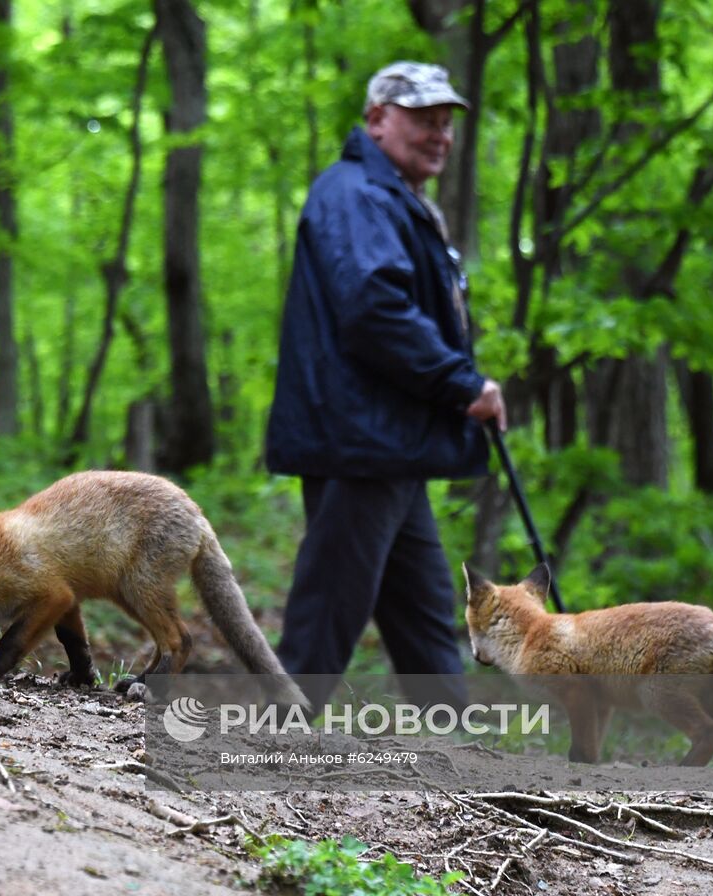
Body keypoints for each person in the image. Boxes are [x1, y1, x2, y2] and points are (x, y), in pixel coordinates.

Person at [265, 61, 506, 711]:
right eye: (423, 119)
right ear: (376, 119)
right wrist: (462, 384)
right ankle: (275, 738)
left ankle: (455, 740)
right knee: (330, 606)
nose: (440, 135)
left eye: (446, 123)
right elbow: (375, 307)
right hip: (360, 440)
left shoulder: (390, 196)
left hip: (389, 443)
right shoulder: (356, 194)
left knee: (423, 603)